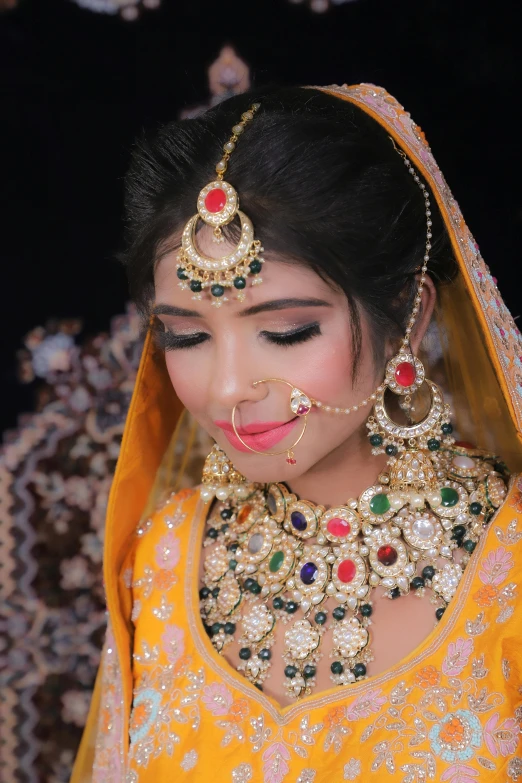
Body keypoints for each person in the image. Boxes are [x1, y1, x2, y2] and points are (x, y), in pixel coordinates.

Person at [71, 85, 522, 782]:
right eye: (185, 335)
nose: (225, 388)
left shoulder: (510, 567)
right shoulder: (163, 563)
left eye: (286, 332)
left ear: (407, 312)